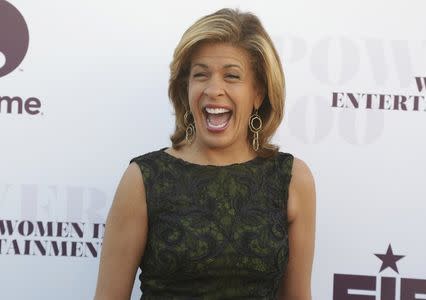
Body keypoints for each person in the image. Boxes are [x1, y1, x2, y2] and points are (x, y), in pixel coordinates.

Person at [94, 8, 315, 300]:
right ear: (186, 87)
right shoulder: (144, 179)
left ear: (258, 93)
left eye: (232, 76)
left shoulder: (292, 179)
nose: (214, 90)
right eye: (201, 75)